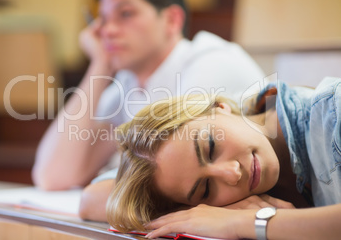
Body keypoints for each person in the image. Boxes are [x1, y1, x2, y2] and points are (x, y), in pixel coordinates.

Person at [32, 0, 264, 211]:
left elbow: (160, 187)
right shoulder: (129, 83)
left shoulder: (211, 62)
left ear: (172, 20)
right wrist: (99, 65)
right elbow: (53, 176)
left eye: (125, 14)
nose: (108, 31)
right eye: (101, 20)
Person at [107, 77, 341, 239]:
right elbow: (93, 198)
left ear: (219, 107)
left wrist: (245, 223)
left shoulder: (334, 110)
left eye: (210, 147)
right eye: (206, 189)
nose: (232, 173)